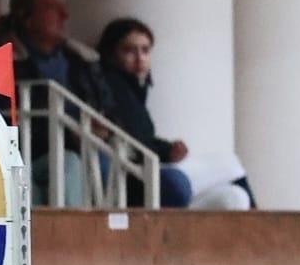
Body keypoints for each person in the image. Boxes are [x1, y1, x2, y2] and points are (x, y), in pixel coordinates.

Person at [94, 17, 254, 210]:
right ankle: (265, 224)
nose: (140, 58)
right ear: (111, 54)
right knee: (229, 163)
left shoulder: (134, 91)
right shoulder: (113, 86)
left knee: (235, 197)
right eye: (129, 50)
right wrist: (167, 151)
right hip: (135, 181)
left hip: (149, 175)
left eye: (145, 50)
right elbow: (134, 140)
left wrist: (168, 150)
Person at [0, 0, 110, 206]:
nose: (65, 15)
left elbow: (110, 110)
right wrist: (71, 135)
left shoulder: (83, 61)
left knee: (95, 162)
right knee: (67, 164)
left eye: (64, 7)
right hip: (26, 156)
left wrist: (103, 128)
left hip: (85, 153)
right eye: (52, 8)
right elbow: (1, 120)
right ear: (26, 18)